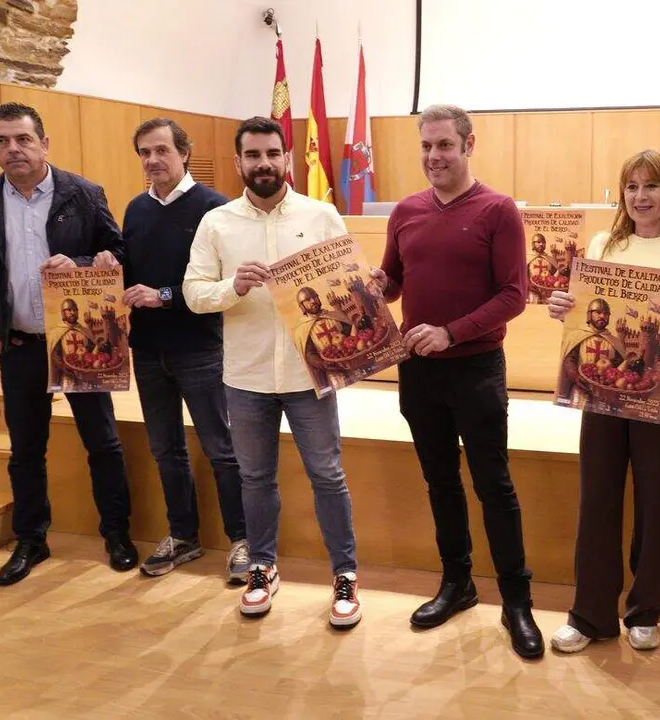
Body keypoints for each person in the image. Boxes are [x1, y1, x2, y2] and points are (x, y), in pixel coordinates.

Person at [371, 104, 543, 659]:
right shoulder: (405, 210)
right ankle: (458, 584)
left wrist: (452, 332)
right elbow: (395, 282)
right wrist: (380, 287)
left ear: (469, 145)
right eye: (426, 146)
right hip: (417, 371)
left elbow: (513, 295)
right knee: (440, 482)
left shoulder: (498, 210)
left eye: (444, 145)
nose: (433, 157)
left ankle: (517, 601)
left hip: (475, 369)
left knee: (494, 485)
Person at [183, 116, 362, 628]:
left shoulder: (322, 214)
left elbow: (346, 291)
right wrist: (231, 288)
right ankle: (262, 565)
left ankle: (345, 575)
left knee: (328, 476)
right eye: (253, 155)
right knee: (256, 477)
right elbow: (194, 294)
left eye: (272, 154)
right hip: (247, 377)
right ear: (238, 162)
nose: (264, 163)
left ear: (287, 158)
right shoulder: (216, 223)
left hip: (312, 376)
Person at [0, 102, 138, 585]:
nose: (13, 149)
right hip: (18, 345)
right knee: (26, 448)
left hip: (82, 339)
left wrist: (80, 263)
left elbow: (118, 256)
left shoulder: (84, 193)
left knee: (103, 443)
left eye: (23, 139)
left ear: (44, 143)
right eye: (1, 141)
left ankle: (116, 534)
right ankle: (32, 539)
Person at [545, 149, 660, 654]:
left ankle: (645, 610)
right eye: (631, 187)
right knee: (597, 496)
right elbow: (586, 314)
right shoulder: (604, 243)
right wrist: (565, 307)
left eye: (652, 187)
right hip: (604, 384)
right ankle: (590, 615)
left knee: (659, 499)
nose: (640, 197)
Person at [121, 117, 249, 583]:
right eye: (144, 153)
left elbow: (223, 283)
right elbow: (127, 271)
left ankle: (242, 540)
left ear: (183, 153)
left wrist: (165, 295)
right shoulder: (135, 209)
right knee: (164, 448)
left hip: (200, 348)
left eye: (161, 151)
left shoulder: (215, 208)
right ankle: (183, 536)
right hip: (148, 350)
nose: (153, 160)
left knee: (221, 447)